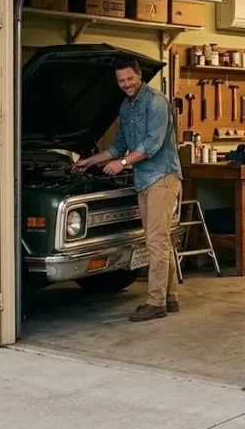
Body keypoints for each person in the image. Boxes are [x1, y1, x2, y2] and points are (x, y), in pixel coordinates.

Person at [71, 55, 183, 322]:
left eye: (130, 78)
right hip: (143, 179)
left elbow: (152, 144)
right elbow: (119, 144)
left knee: (156, 241)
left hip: (162, 177)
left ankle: (156, 303)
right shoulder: (126, 107)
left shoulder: (156, 102)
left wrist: (122, 163)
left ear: (139, 75)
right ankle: (170, 297)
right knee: (160, 240)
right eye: (121, 81)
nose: (126, 84)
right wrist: (90, 161)